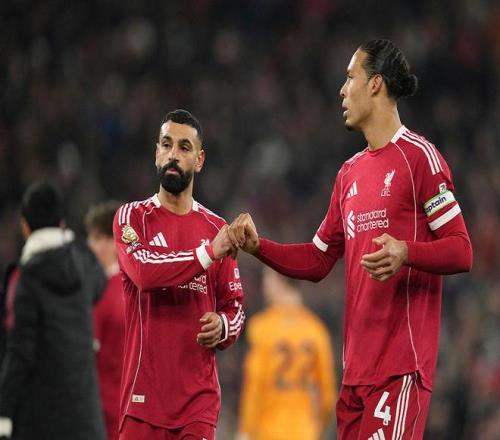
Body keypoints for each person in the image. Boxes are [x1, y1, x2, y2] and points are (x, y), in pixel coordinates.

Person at [228, 39, 473, 439]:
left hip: (399, 369)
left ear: (375, 84)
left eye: (349, 78)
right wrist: (259, 247)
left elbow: (462, 250)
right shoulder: (349, 174)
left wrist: (406, 251)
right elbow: (317, 260)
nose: (342, 90)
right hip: (355, 377)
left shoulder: (419, 159)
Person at [113, 109, 245, 440]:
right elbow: (144, 271)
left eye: (184, 147)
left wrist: (223, 325)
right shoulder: (132, 217)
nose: (173, 154)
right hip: (143, 402)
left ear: (199, 160)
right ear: (156, 153)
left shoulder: (216, 228)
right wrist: (207, 253)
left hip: (198, 405)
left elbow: (236, 309)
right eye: (166, 144)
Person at [0, 182, 106, 440]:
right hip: (86, 422)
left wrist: (4, 414)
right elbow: (99, 284)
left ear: (25, 226)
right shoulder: (84, 263)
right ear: (62, 225)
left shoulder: (24, 280)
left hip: (39, 423)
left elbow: (20, 353)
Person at [237, 267, 336, 440]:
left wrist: (245, 431)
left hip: (267, 433)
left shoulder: (262, 327)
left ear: (278, 280)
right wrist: (316, 428)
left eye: (267, 279)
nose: (264, 287)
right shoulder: (317, 330)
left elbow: (255, 384)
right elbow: (327, 396)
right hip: (305, 433)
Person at [85, 201, 126, 440]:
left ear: (113, 242)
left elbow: (86, 356)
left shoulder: (100, 293)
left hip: (103, 413)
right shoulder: (141, 289)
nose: (90, 246)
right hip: (134, 412)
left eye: (96, 238)